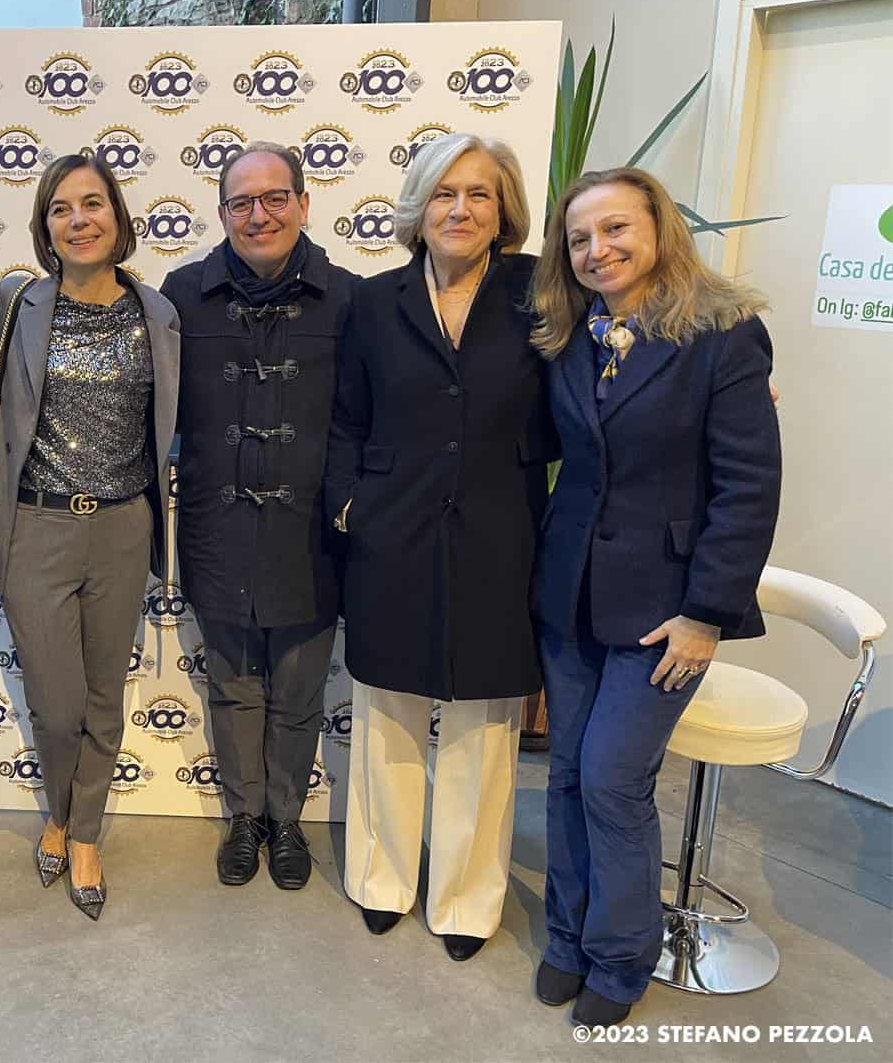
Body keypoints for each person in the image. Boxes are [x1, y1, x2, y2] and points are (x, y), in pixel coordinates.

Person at [529, 167, 781, 1026]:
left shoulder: (723, 334)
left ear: (659, 229)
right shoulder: (569, 335)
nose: (596, 249)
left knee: (612, 779)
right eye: (579, 238)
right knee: (568, 774)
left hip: (669, 611)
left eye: (615, 229)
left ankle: (621, 955)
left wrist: (707, 612)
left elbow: (749, 488)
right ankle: (567, 937)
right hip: (570, 594)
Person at [325, 133, 550, 961]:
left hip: (501, 529)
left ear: (504, 209)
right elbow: (345, 418)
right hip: (391, 530)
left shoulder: (539, 291)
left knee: (482, 728)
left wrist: (732, 365)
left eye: (479, 193)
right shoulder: (372, 301)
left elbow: (629, 333)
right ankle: (381, 878)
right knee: (386, 714)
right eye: (444, 193)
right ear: (418, 208)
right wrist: (349, 506)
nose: (461, 209)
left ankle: (464, 899)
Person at [0, 153, 179, 919]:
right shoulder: (18, 303)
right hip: (36, 527)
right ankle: (62, 813)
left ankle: (80, 829)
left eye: (93, 203)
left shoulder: (157, 313)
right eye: (60, 208)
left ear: (118, 217)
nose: (78, 220)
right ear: (45, 227)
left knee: (104, 697)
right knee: (59, 705)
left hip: (125, 525)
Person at [160, 141, 354, 889]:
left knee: (299, 692)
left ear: (303, 204)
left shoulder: (349, 298)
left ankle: (287, 819)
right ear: (222, 214)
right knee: (234, 683)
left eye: (275, 198)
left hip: (312, 534)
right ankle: (246, 818)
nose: (259, 214)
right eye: (241, 202)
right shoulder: (182, 294)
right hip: (218, 528)